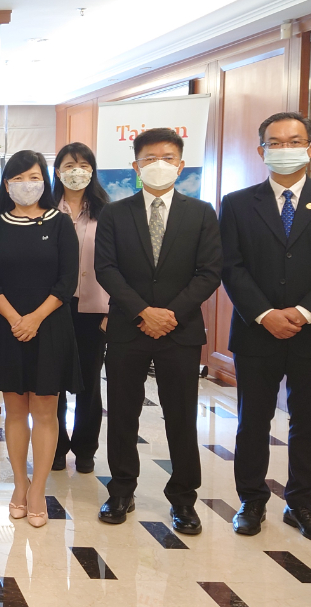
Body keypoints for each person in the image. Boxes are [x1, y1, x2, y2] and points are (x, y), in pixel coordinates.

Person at [221, 112, 311, 544]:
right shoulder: (239, 202)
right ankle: (251, 500)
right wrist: (266, 314)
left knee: (308, 424)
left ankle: (301, 502)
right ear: (261, 149)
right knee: (252, 421)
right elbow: (232, 266)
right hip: (256, 331)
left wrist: (302, 313)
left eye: (294, 141)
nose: (285, 149)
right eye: (275, 142)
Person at [94, 127, 221, 535]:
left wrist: (169, 314)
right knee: (123, 414)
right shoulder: (115, 213)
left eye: (167, 158)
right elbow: (106, 269)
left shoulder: (201, 214)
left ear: (181, 165)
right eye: (149, 159)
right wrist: (143, 312)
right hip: (129, 330)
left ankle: (184, 499)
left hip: (179, 332)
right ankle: (121, 490)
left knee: (181, 416)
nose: (158, 165)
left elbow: (209, 272)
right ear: (135, 165)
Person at [0, 150, 80, 528]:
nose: (27, 184)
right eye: (18, 178)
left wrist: (35, 319)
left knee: (45, 411)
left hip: (49, 325)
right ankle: (20, 485)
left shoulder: (59, 222)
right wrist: (15, 319)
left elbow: (67, 281)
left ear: (45, 180)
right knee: (15, 410)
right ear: (6, 184)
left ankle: (39, 489)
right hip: (6, 327)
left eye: (34, 176)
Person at [51, 142, 111, 474]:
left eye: (85, 165)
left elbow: (119, 264)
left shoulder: (107, 210)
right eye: (70, 165)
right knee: (54, 379)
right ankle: (56, 446)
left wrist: (110, 311)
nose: (77, 171)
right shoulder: (45, 208)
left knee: (89, 380)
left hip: (93, 307)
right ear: (57, 170)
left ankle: (86, 447)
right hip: (53, 308)